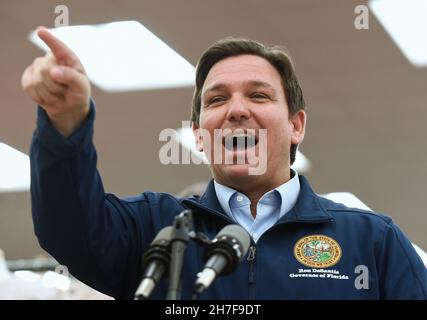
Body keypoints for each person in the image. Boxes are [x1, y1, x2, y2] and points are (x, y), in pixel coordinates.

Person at [22, 27, 427, 300]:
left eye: (259, 96)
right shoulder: (154, 229)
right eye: (217, 99)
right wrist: (65, 122)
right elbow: (68, 229)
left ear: (296, 126)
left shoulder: (373, 243)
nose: (236, 110)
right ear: (199, 135)